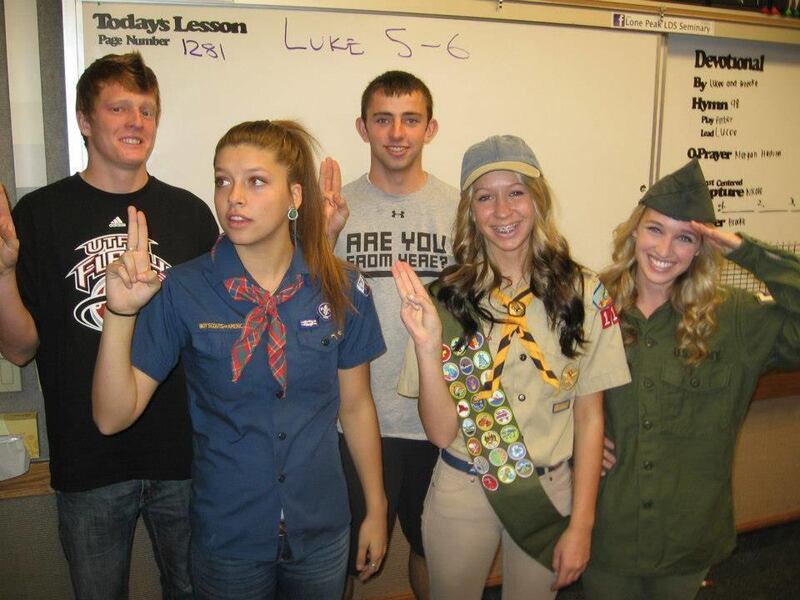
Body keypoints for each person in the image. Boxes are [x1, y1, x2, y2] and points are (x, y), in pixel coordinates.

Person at [92, 119, 388, 599]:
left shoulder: (341, 287)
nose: (234, 197)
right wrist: (120, 314)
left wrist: (375, 507)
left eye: (256, 181)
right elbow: (112, 416)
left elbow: (356, 407)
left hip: (322, 527)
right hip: (229, 536)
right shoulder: (185, 289)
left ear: (295, 197)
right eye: (223, 180)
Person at [0, 52, 218, 599]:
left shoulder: (191, 214)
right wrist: (2, 275)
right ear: (83, 119)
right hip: (88, 459)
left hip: (182, 457)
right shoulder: (40, 215)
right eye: (119, 108)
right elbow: (20, 349)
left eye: (146, 110)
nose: (136, 122)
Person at [392, 135, 631, 599]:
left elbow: (590, 417)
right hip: (463, 487)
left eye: (516, 192)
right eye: (485, 197)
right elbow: (440, 433)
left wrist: (582, 524)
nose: (502, 211)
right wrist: (427, 346)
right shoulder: (443, 301)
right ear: (470, 211)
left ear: (537, 200)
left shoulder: (584, 293)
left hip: (549, 493)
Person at [584, 159, 800, 600]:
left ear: (702, 247)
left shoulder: (734, 317)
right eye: (655, 229)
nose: (665, 249)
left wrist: (746, 251)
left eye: (685, 237)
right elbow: (542, 386)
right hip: (607, 528)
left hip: (687, 533)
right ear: (634, 232)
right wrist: (571, 438)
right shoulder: (589, 304)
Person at [327, 70, 459, 598]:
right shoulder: (335, 211)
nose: (397, 133)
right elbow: (297, 300)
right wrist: (322, 235)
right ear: (363, 128)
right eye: (383, 119)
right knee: (343, 556)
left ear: (431, 128)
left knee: (435, 552)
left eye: (411, 119)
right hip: (353, 421)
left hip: (436, 421)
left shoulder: (461, 210)